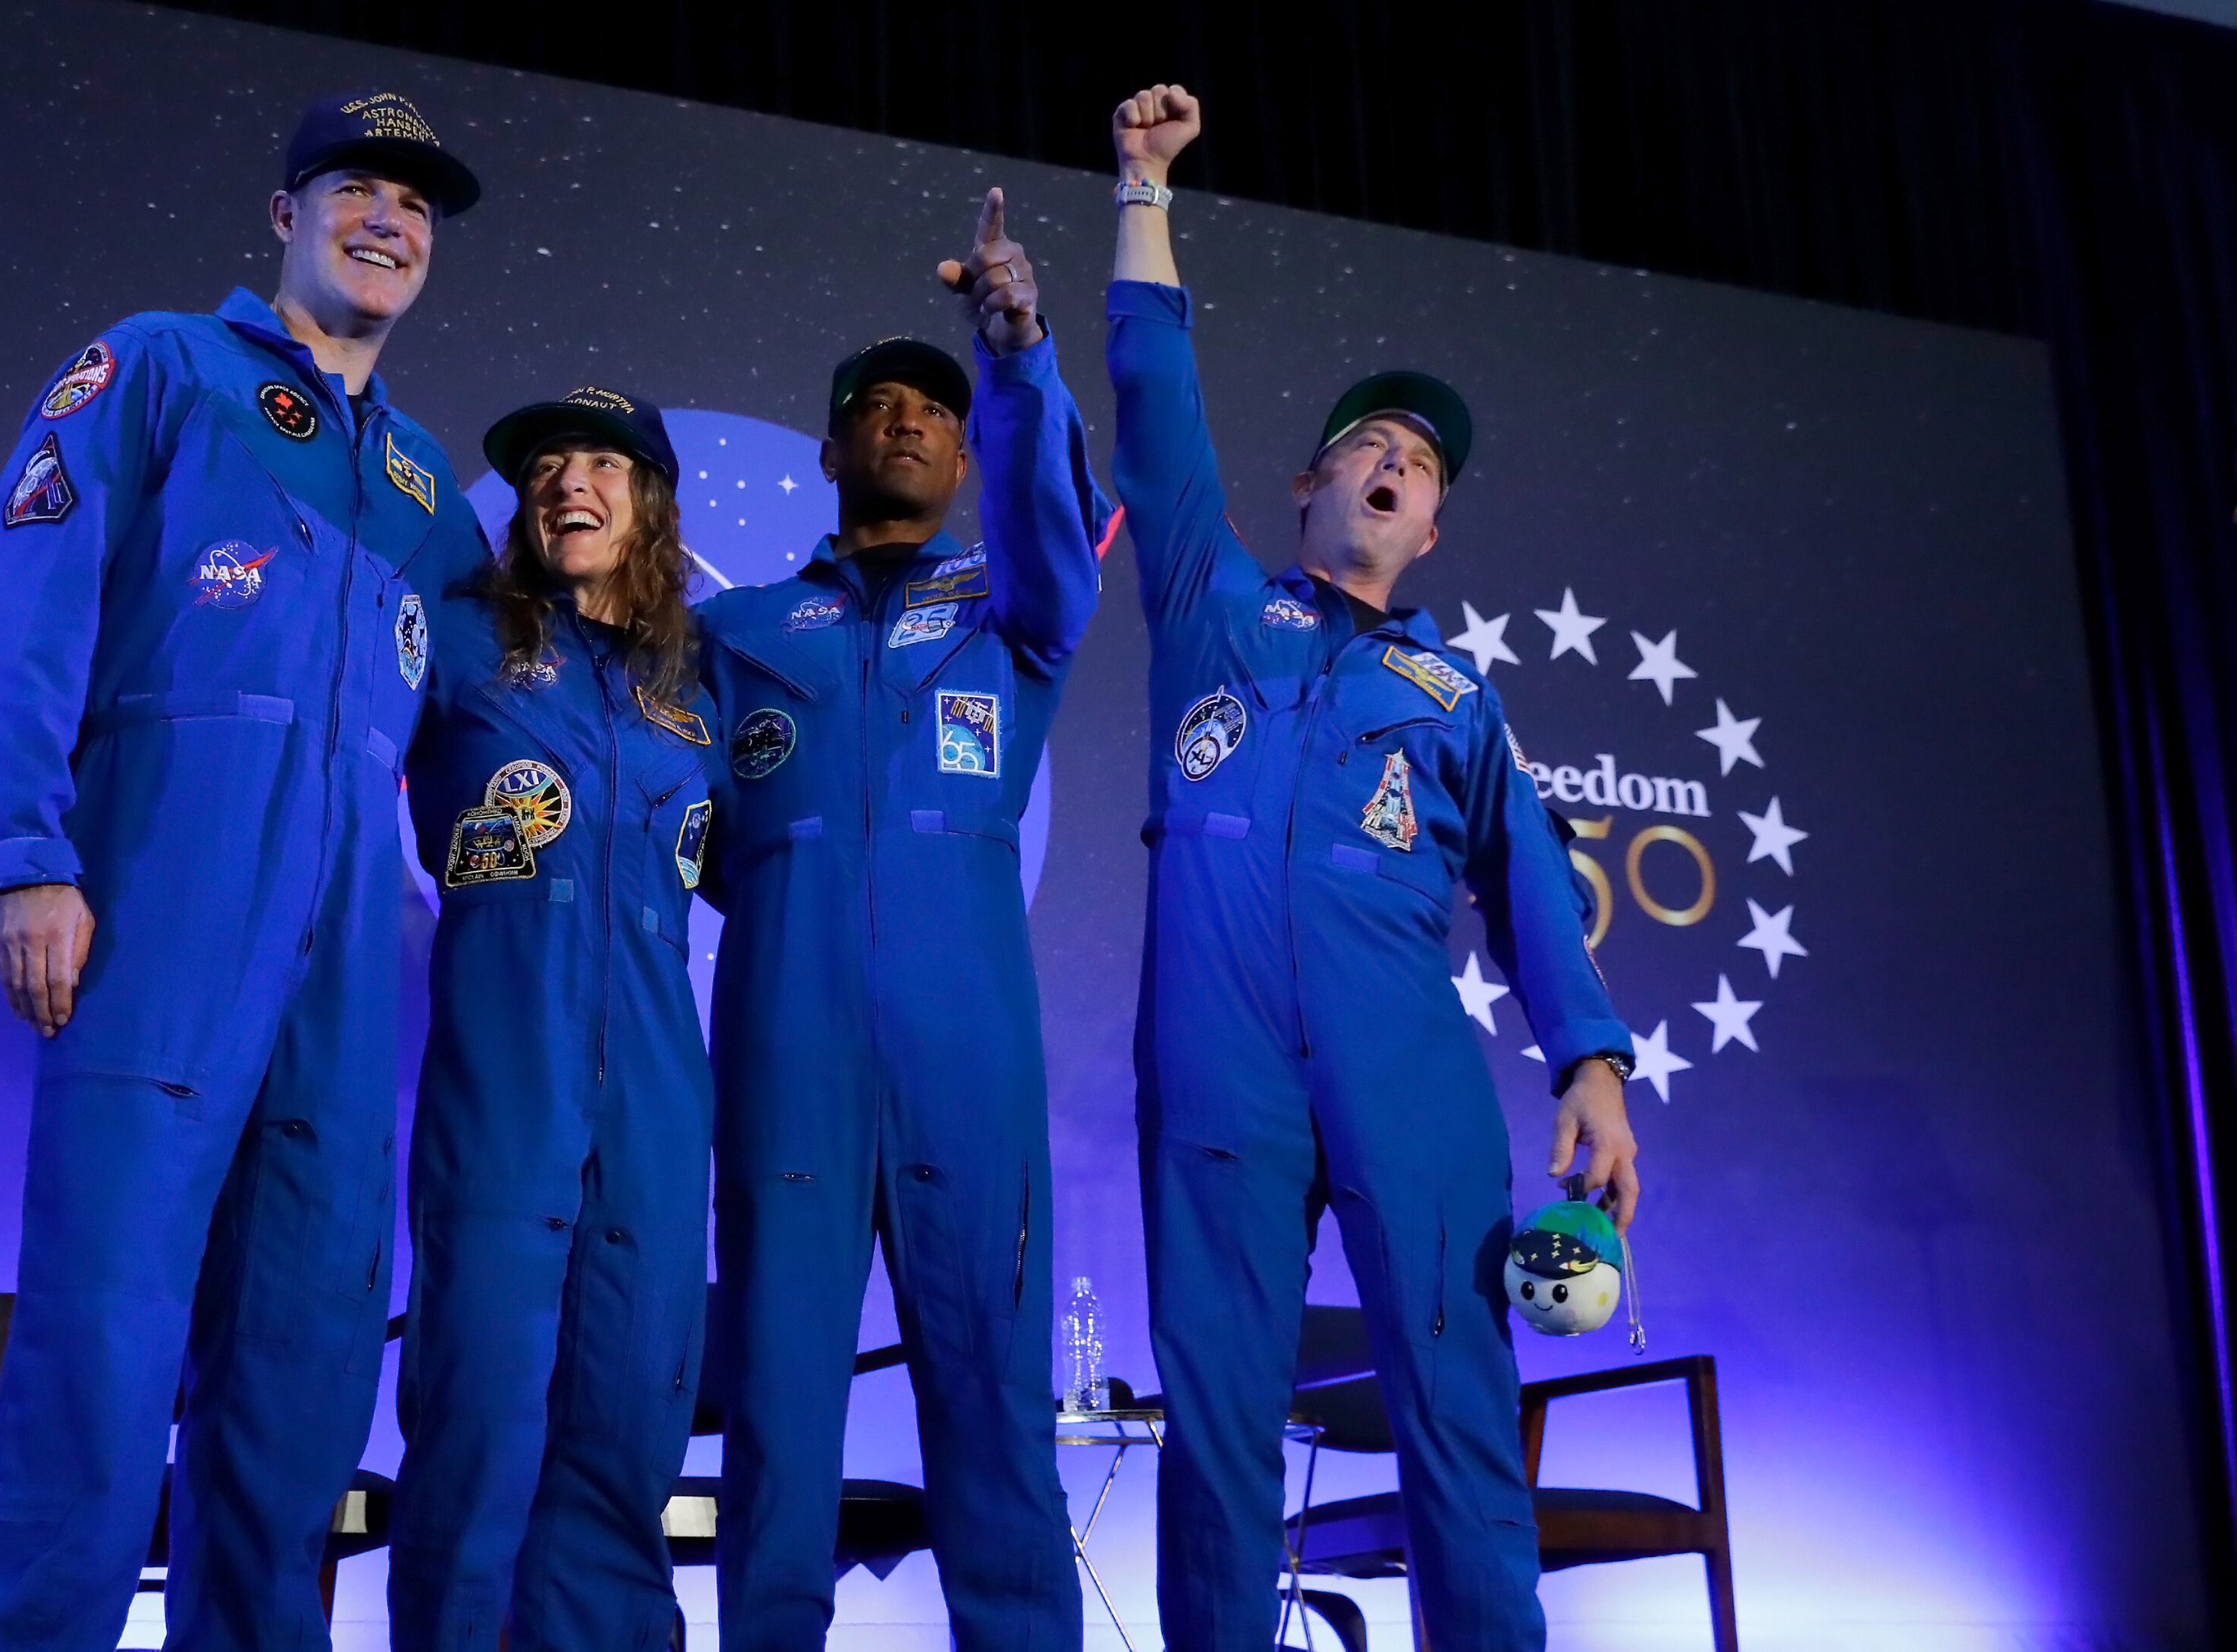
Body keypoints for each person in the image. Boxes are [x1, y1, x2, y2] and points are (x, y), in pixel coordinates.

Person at [1100, 85, 1643, 1651]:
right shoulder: (1210, 594)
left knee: (1460, 1421)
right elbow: (1152, 397)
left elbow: (1535, 879)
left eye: (1423, 467)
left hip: (1406, 1067)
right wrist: (1144, 191)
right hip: (1219, 1062)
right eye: (1371, 448)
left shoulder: (1455, 692)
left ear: (1432, 529)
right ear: (1312, 487)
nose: (1399, 468)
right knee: (1216, 1432)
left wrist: (1593, 1064)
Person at [0, 89, 489, 1652]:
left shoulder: (417, 485)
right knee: (105, 1349)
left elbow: (489, 718)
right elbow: (31, 603)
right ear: (285, 213)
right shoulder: (162, 366)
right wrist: (29, 856)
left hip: (339, 954)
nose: (389, 220)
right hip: (163, 912)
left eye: (416, 203)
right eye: (356, 190)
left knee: (306, 1357)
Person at [696, 189, 1102, 1651]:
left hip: (966, 1066)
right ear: (831, 450)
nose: (912, 421)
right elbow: (669, 827)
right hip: (785, 1057)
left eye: (938, 407)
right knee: (781, 1423)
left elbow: (1057, 526)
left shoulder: (1018, 607)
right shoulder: (738, 633)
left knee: (994, 1410)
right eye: (881, 405)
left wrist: (1013, 356)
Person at [384, 388, 721, 1651]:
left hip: (652, 1097)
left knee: (629, 1435)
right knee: (472, 1430)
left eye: (598, 462)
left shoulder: (695, 684)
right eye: (542, 467)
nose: (564, 480)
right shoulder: (460, 641)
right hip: (503, 1082)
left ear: (649, 501)